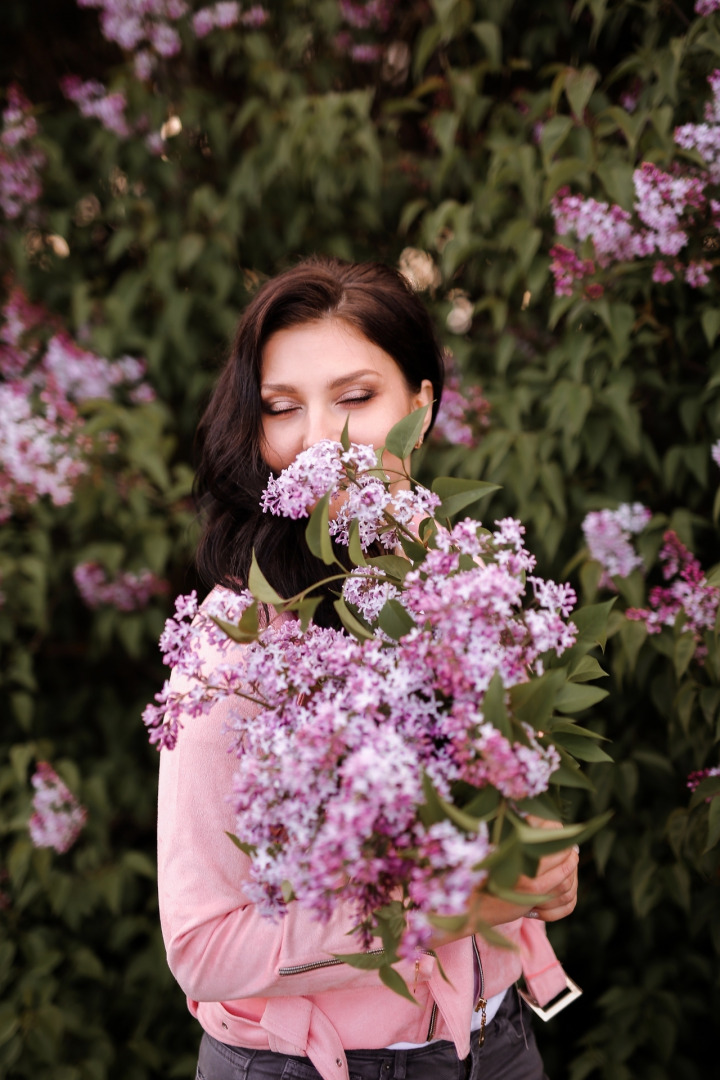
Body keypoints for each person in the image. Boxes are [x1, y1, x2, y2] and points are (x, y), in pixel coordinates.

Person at [157, 257, 580, 1080]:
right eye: (283, 409)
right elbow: (202, 948)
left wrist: (538, 875)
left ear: (420, 408)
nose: (321, 438)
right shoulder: (234, 644)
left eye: (356, 398)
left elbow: (493, 812)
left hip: (495, 1045)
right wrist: (439, 911)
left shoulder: (461, 584)